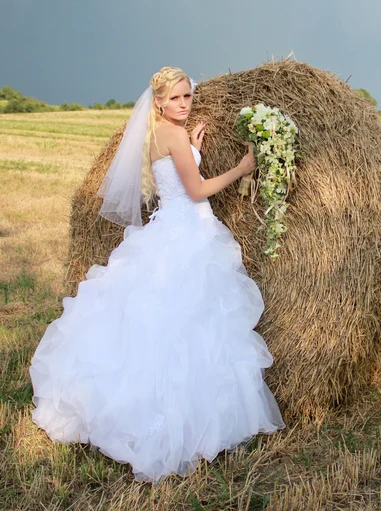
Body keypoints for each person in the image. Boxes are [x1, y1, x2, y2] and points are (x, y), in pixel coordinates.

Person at [29, 67, 285, 482]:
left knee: (175, 324)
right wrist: (241, 168)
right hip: (188, 234)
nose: (185, 103)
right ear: (160, 102)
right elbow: (198, 190)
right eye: (177, 98)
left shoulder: (162, 134)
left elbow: (180, 174)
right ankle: (180, 423)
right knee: (189, 327)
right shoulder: (173, 135)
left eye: (188, 96)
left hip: (177, 226)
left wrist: (194, 150)